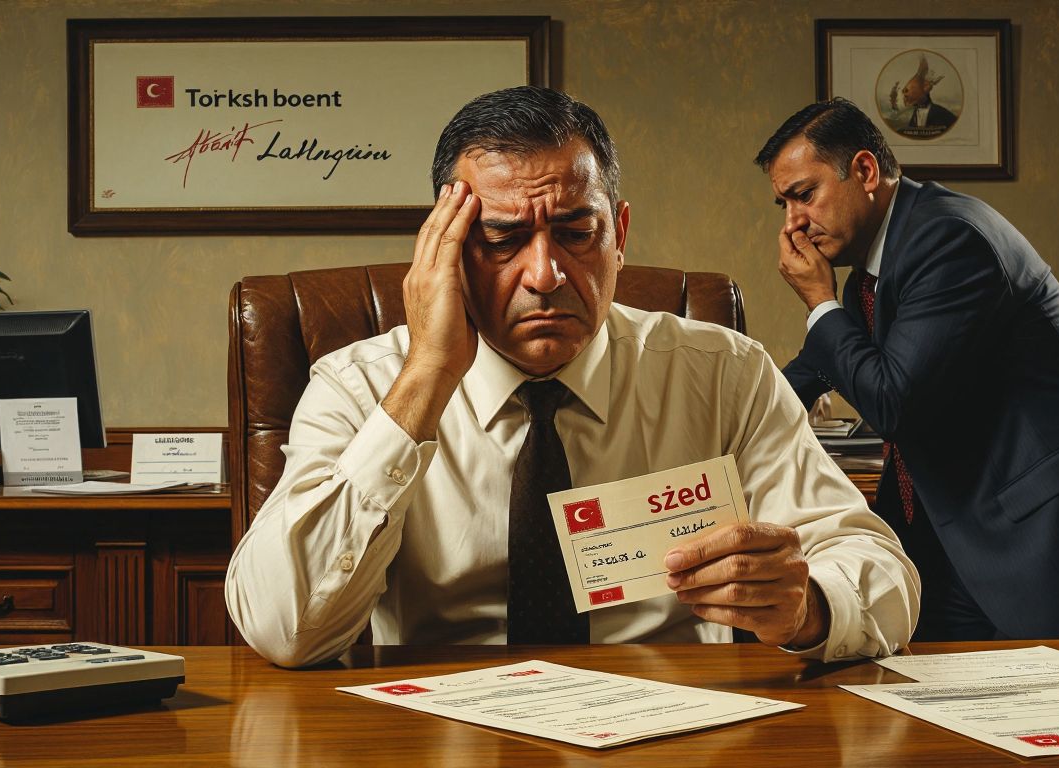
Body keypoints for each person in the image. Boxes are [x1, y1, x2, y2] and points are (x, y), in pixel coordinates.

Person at [226, 87, 918, 668]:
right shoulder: (356, 387)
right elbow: (284, 629)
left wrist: (809, 605)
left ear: (619, 232)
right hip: (433, 736)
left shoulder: (724, 375)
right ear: (445, 249)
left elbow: (884, 576)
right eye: (499, 240)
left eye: (575, 232)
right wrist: (425, 380)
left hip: (669, 726)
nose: (545, 274)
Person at [758, 98, 1059, 642]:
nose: (793, 223)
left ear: (865, 171)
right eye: (782, 204)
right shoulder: (869, 276)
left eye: (804, 195)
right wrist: (729, 437)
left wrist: (819, 302)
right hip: (972, 534)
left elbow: (895, 403)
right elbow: (804, 375)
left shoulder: (950, 238)